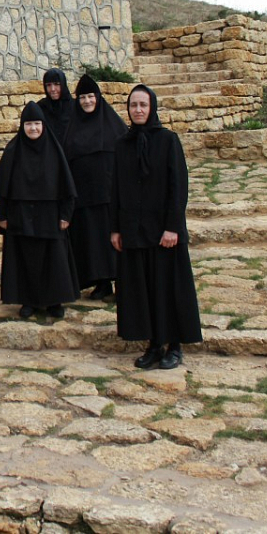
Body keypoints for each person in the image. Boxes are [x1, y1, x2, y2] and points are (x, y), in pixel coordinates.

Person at [111, 84, 203, 370]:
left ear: (152, 107)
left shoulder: (168, 141)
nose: (138, 110)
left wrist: (173, 227)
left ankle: (173, 345)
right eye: (133, 105)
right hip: (134, 230)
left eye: (143, 105)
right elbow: (115, 188)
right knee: (143, 289)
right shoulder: (122, 144)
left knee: (168, 288)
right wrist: (116, 229)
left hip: (164, 232)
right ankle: (153, 344)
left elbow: (178, 186)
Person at [0, 102, 80, 320]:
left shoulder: (54, 150)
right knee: (25, 258)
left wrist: (65, 215)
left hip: (50, 216)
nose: (33, 128)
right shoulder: (13, 151)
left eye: (37, 124)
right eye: (29, 124)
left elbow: (67, 188)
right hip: (20, 216)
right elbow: (1, 189)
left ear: (43, 125)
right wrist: (2, 216)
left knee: (53, 258)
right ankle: (28, 300)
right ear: (22, 126)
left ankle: (55, 301)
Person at [63, 75, 127, 302]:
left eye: (91, 96)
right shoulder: (72, 127)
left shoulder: (115, 126)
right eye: (82, 97)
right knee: (92, 242)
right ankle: (102, 283)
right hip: (84, 198)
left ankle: (123, 283)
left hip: (110, 195)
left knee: (114, 240)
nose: (87, 101)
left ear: (98, 98)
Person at [38, 68, 74, 143]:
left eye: (57, 84)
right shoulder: (41, 107)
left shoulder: (75, 107)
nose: (52, 89)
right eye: (48, 85)